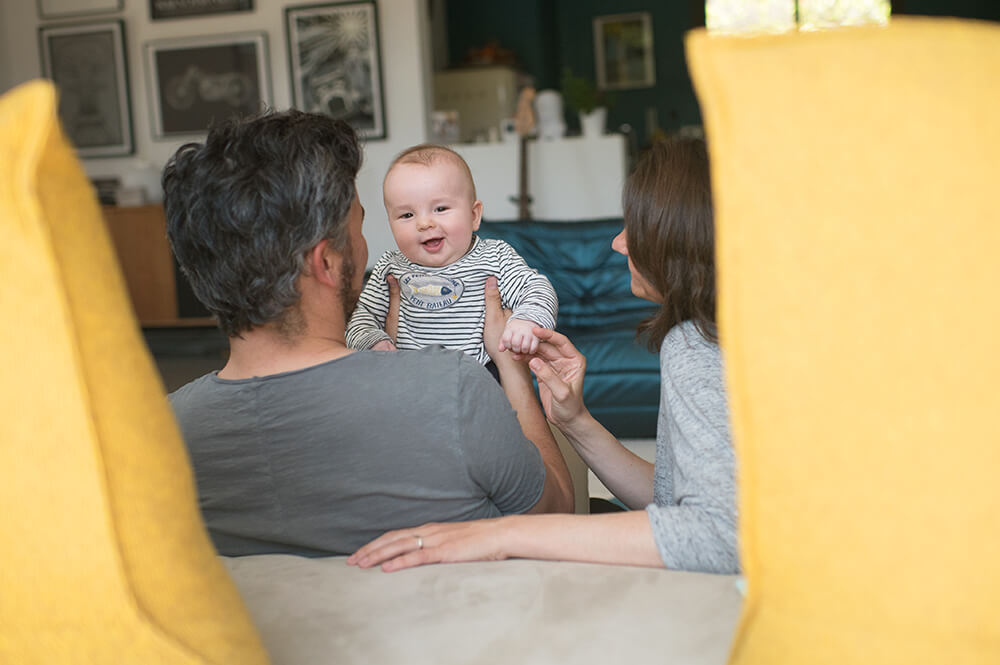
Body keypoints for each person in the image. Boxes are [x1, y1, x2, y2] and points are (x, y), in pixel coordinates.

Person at [161, 110, 573, 557]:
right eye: (360, 225)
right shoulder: (452, 391)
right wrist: (511, 371)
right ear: (326, 263)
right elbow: (555, 514)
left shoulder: (161, 433)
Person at [348, 136, 738, 574]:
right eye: (405, 214)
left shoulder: (693, 345)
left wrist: (504, 535)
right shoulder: (719, 335)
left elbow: (719, 534)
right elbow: (677, 500)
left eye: (636, 227)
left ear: (680, 238)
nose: (617, 243)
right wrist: (575, 421)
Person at [346, 144, 558, 364]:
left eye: (440, 209)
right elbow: (361, 317)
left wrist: (525, 322)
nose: (424, 223)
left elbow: (537, 289)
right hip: (410, 377)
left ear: (474, 215)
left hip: (481, 371)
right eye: (407, 214)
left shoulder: (495, 257)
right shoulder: (390, 267)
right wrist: (373, 341)